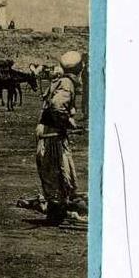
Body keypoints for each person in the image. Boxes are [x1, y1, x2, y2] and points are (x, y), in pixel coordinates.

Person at [35, 51, 83, 224]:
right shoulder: (67, 83)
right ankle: (56, 210)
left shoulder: (60, 81)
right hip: (52, 133)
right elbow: (57, 105)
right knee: (57, 170)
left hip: (49, 132)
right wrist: (67, 121)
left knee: (55, 170)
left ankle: (58, 207)